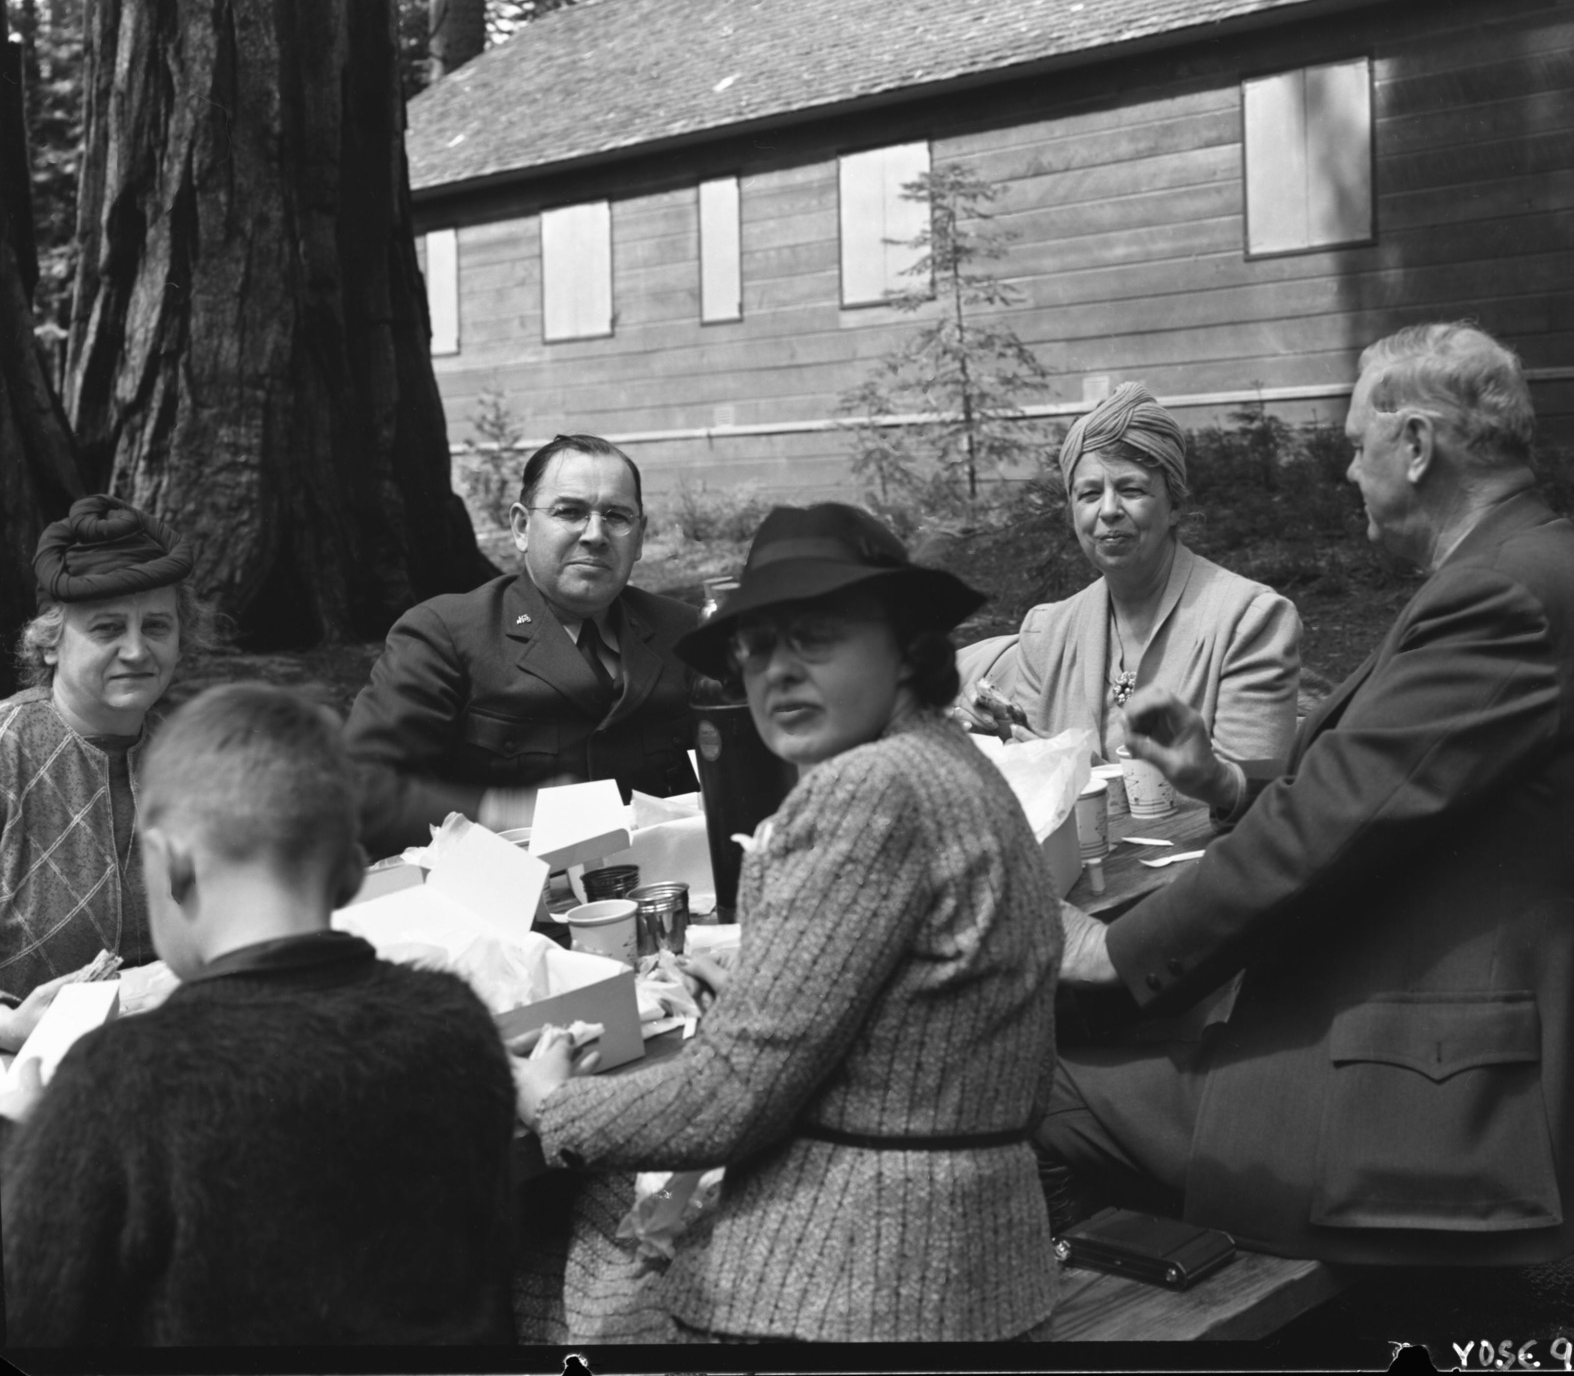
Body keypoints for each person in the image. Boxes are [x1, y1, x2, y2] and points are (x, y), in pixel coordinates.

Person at [1037, 323, 1574, 1266]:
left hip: (1431, 1100)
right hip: (1416, 1040)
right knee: (1083, 1045)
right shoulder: (1516, 570)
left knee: (1021, 1078)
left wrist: (1109, 950)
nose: (1347, 472)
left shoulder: (1501, 599)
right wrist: (1224, 779)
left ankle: (1114, 1321)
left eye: (1357, 446)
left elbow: (1318, 835)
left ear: (1416, 445)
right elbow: (1373, 793)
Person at [510, 504, 1063, 1343]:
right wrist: (761, 983)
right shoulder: (945, 761)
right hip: (970, 1256)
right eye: (757, 647)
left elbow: (731, 1095)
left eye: (814, 637)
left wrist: (553, 1106)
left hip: (861, 1281)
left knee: (534, 1251)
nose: (777, 671)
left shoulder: (866, 788)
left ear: (905, 647)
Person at [0, 684, 517, 1345]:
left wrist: (20, 1142)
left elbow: (33, 1317)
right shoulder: (456, 1022)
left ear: (173, 862)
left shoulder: (117, 1077)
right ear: (351, 870)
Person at [343, 433, 702, 857]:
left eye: (617, 516)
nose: (595, 534)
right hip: (506, 888)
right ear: (521, 527)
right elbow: (358, 791)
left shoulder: (685, 634)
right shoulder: (447, 634)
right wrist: (501, 811)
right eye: (569, 512)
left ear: (639, 538)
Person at [956, 382, 1301, 767]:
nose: (1108, 510)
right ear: (1072, 514)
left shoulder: (1250, 622)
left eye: (1132, 489)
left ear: (1174, 505)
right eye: (1089, 494)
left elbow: (1249, 791)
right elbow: (1044, 778)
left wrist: (1084, 772)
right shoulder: (1047, 634)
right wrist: (1006, 737)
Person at [2, 494, 217, 1050]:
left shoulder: (189, 758)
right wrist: (9, 1027)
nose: (136, 650)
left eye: (157, 626)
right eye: (107, 628)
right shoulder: (7, 752)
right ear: (50, 642)